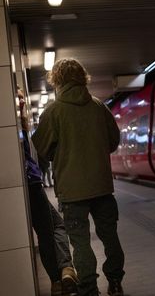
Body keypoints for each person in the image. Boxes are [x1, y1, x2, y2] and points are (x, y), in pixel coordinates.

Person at [32, 59, 125, 296]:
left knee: (81, 242)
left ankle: (89, 288)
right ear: (82, 77)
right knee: (110, 236)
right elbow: (114, 141)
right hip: (102, 186)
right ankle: (115, 282)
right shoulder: (98, 106)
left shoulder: (53, 111)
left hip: (72, 192)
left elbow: (41, 148)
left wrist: (61, 154)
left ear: (57, 80)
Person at [17, 87, 78, 296]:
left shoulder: (18, 126)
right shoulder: (16, 123)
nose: (22, 100)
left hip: (29, 182)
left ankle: (62, 274)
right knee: (49, 229)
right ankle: (60, 276)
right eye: (19, 97)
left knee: (50, 228)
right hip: (31, 182)